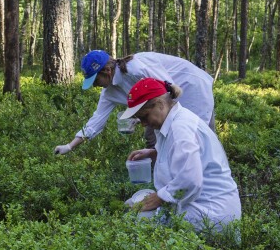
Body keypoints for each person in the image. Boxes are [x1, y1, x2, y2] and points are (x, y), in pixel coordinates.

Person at [121, 78, 241, 232]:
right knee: (129, 206)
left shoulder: (181, 129)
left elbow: (190, 181)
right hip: (198, 204)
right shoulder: (171, 121)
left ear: (160, 104)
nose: (143, 124)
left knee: (135, 219)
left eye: (144, 116)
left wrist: (160, 198)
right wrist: (154, 153)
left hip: (209, 213)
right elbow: (183, 156)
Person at [54, 50, 215, 155]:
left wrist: (140, 117)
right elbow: (96, 121)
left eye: (95, 80)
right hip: (162, 103)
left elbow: (169, 90)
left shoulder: (134, 68)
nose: (94, 85)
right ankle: (164, 184)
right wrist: (69, 146)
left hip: (190, 87)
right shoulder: (108, 92)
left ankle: (203, 185)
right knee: (155, 139)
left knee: (196, 138)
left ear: (107, 71)